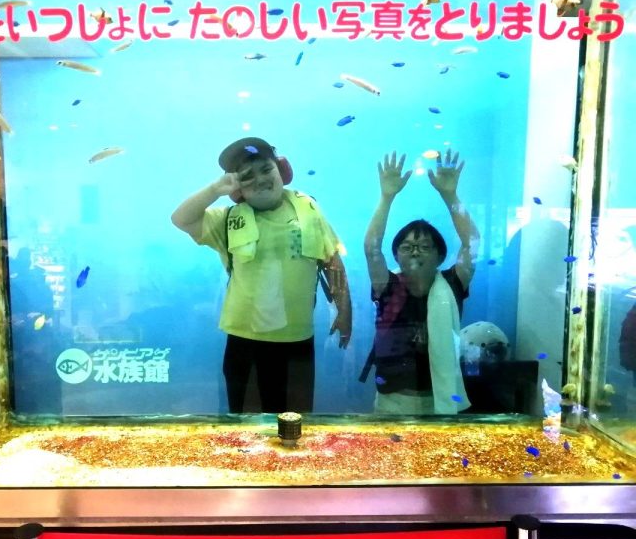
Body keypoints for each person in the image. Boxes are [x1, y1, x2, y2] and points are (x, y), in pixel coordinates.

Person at [171, 137, 352, 414]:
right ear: (237, 188)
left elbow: (332, 261)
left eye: (266, 169)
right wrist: (215, 189)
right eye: (247, 176)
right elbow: (180, 219)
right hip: (245, 341)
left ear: (282, 170)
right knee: (248, 423)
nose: (260, 180)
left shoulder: (309, 210)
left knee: (295, 420)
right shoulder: (228, 219)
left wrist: (345, 312)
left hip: (298, 340)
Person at [360, 149, 480, 415]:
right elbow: (371, 248)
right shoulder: (388, 286)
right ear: (395, 256)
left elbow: (472, 244)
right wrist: (386, 197)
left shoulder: (453, 283)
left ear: (440, 256)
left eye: (425, 246)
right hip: (392, 402)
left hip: (440, 401)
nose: (415, 252)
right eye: (407, 247)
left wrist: (450, 195)